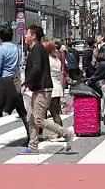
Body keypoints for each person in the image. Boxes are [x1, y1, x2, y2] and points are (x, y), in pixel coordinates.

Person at [19, 25, 73, 155]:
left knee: (38, 119)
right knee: (31, 118)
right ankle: (32, 146)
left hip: (43, 89)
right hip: (39, 88)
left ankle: (66, 133)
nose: (25, 36)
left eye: (27, 34)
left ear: (33, 36)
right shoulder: (36, 49)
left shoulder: (37, 49)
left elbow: (37, 68)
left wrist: (26, 83)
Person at [44, 41, 64, 129]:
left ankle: (61, 133)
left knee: (51, 112)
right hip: (57, 86)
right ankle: (60, 132)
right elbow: (60, 74)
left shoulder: (47, 60)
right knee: (55, 111)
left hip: (50, 88)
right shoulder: (57, 59)